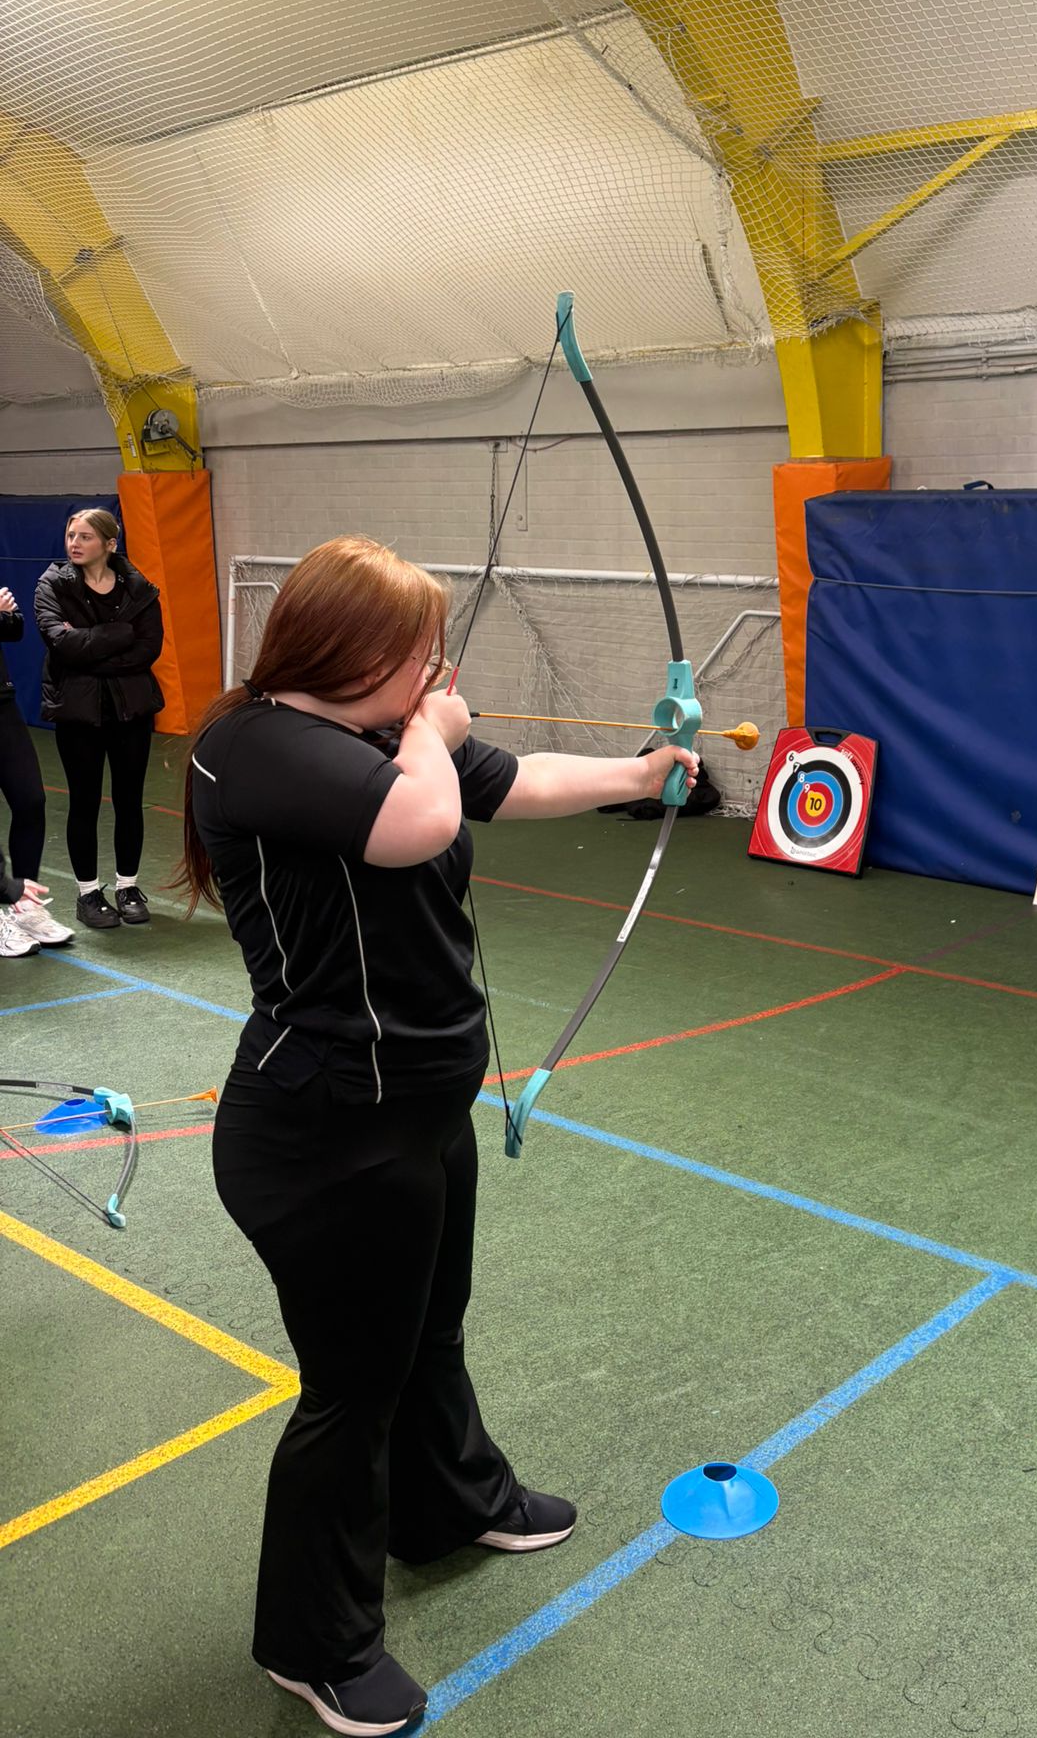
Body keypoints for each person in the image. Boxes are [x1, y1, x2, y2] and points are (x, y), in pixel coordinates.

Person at [176, 535, 697, 1737]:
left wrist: (641, 775)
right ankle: (312, 1643)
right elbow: (418, 817)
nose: (438, 671)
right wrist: (430, 726)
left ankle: (449, 1501)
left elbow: (504, 784)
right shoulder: (255, 743)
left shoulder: (385, 733)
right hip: (319, 1133)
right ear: (355, 653)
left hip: (418, 1113)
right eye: (422, 652)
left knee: (428, 1332)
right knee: (350, 1389)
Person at [34, 508, 164, 931]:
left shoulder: (138, 587)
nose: (74, 543)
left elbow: (149, 648)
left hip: (131, 710)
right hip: (79, 713)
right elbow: (61, 642)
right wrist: (116, 634)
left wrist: (90, 651)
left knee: (129, 801)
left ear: (110, 544)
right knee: (84, 802)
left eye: (86, 536)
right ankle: (88, 893)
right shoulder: (52, 585)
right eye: (71, 534)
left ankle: (128, 887)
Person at [0, 583, 73, 947]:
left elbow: (13, 631)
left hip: (1, 703)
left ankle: (23, 906)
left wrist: (5, 616)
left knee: (30, 800)